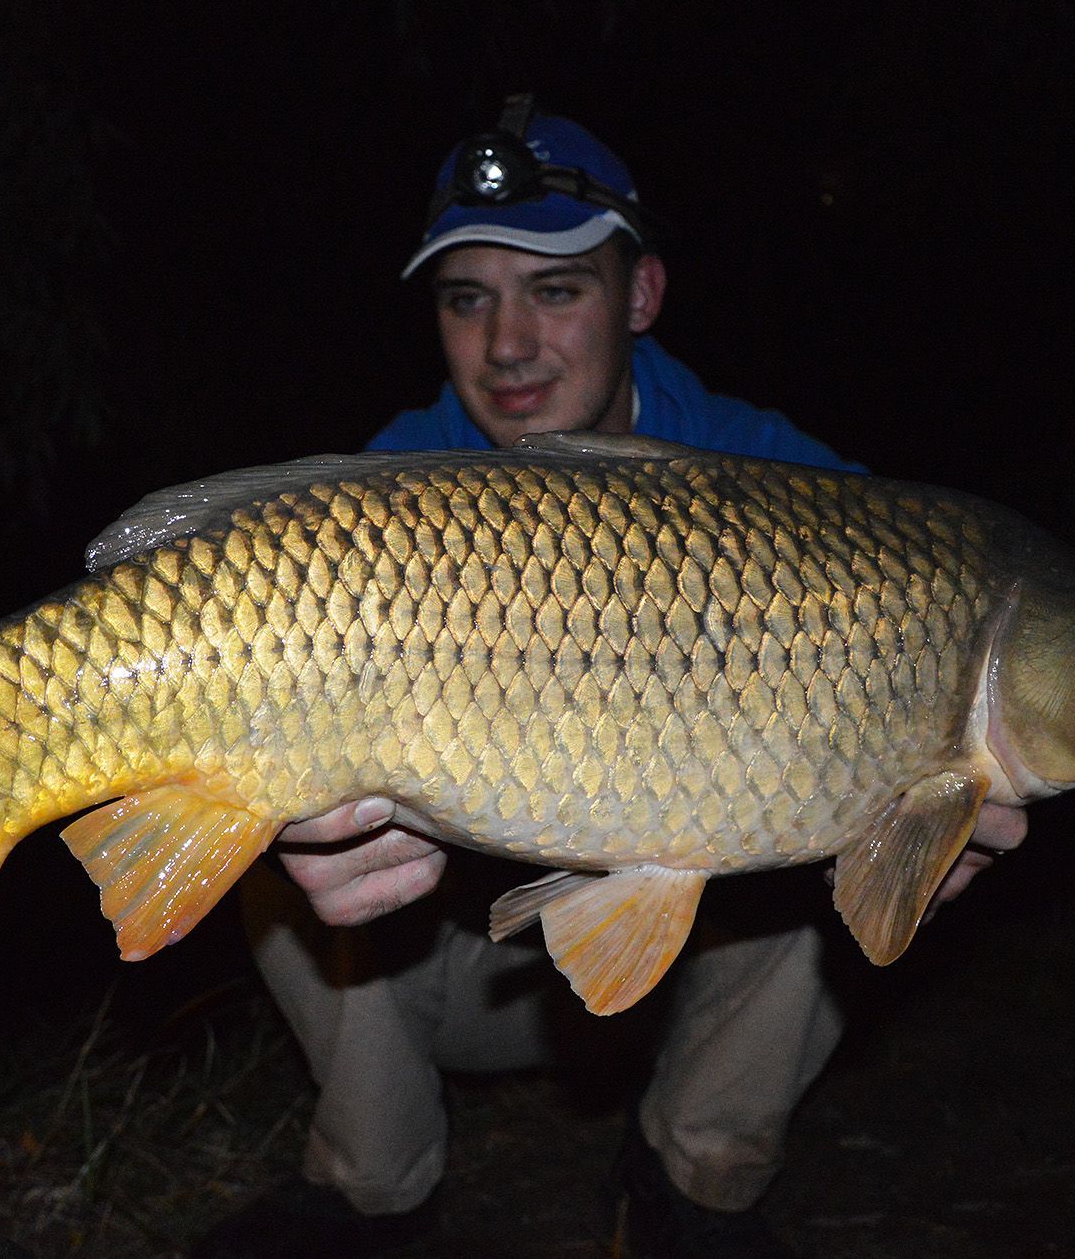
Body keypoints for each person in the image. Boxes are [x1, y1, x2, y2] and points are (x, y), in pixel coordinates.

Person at [196, 97, 1029, 1259]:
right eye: (466, 298)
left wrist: (925, 834)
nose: (508, 346)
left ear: (639, 296)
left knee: (868, 790)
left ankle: (696, 1176)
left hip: (702, 969)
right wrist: (301, 828)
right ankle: (371, 1183)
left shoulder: (793, 487)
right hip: (460, 966)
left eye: (556, 289)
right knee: (252, 821)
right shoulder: (386, 495)